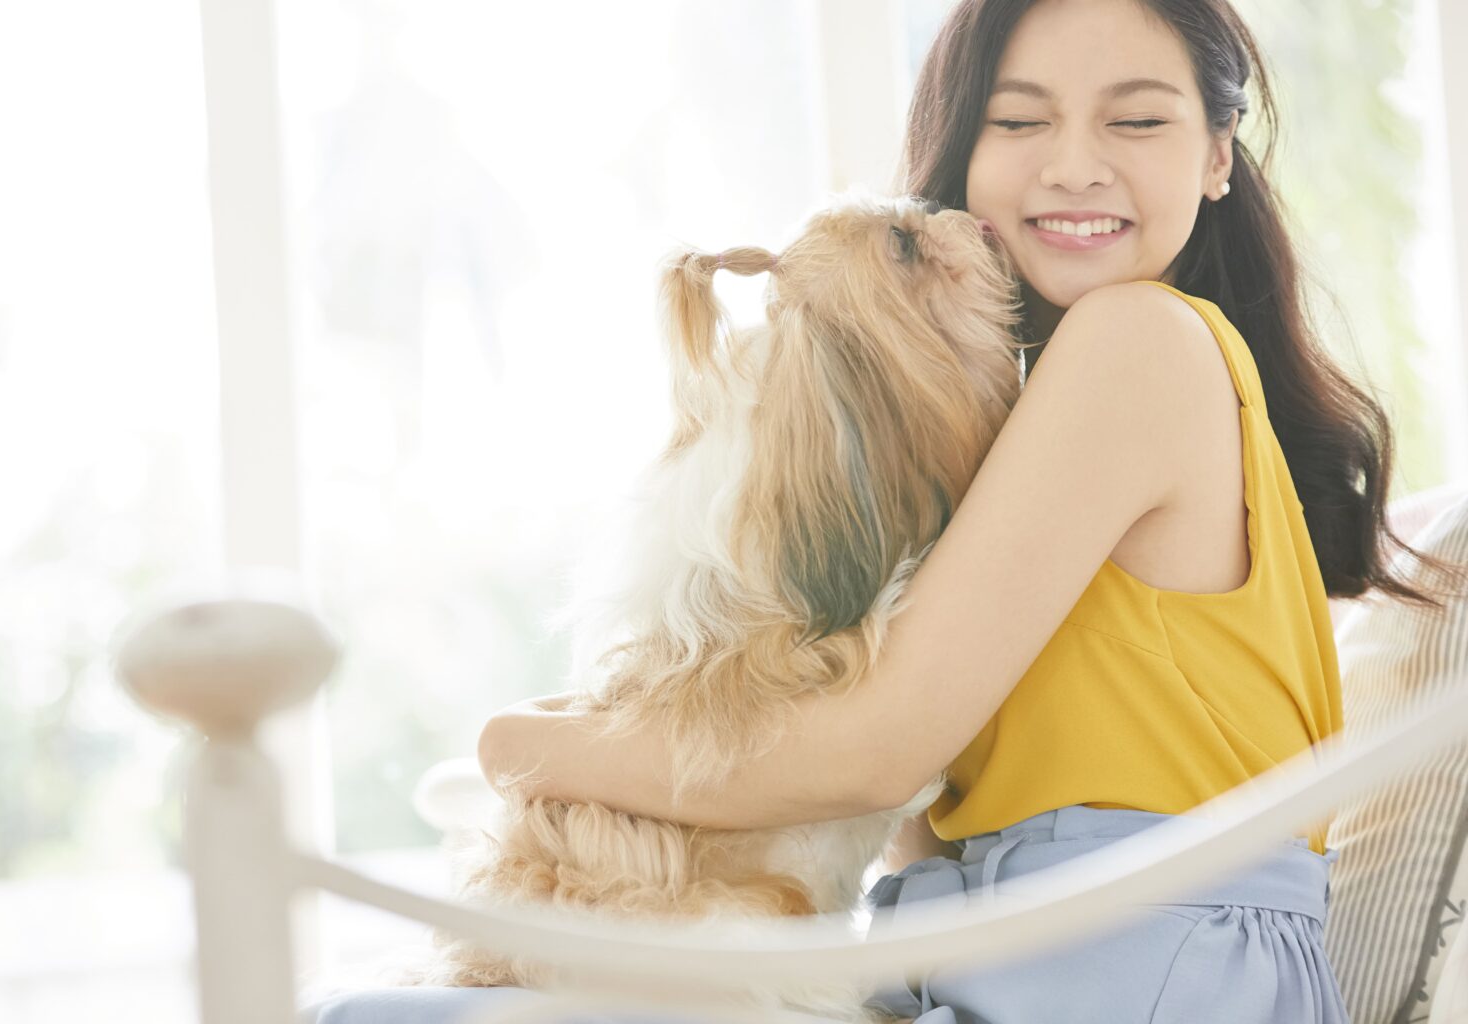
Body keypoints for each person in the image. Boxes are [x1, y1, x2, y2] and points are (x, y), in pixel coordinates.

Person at [302, 1, 1468, 1021]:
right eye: (1019, 121)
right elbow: (911, 806)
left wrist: (530, 748)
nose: (1072, 164)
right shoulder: (1035, 419)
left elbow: (873, 752)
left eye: (1137, 119)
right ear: (964, 155)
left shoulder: (1139, 343)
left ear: (1220, 155)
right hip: (1019, 953)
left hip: (1135, 964)